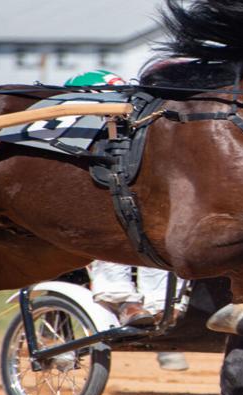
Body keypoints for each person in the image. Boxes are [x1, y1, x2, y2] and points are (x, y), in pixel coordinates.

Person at [66, 69, 190, 370]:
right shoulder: (76, 141)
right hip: (97, 227)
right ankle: (127, 304)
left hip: (143, 222)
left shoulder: (147, 134)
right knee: (110, 236)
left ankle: (164, 310)